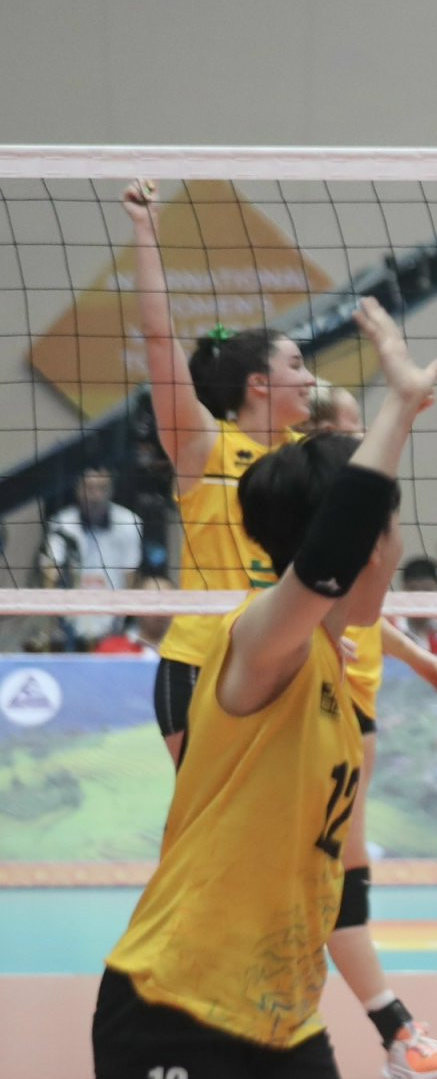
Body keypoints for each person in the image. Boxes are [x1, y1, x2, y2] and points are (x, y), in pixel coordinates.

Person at [1, 299, 437, 1079]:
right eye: (385, 538)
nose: (393, 555)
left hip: (276, 1010)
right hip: (177, 997)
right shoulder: (261, 647)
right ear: (344, 549)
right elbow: (331, 550)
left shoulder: (336, 663)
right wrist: (396, 411)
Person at [300, 382, 437, 1079]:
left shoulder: (355, 514)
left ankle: (383, 1029)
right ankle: (394, 1029)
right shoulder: (305, 508)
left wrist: (418, 657)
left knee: (340, 869)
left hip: (354, 710)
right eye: (348, 421)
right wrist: (312, 638)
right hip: (315, 706)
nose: (360, 430)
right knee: (322, 872)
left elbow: (365, 611)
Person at [121, 181, 318, 766]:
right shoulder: (203, 446)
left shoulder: (313, 460)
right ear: (259, 384)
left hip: (285, 664)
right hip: (201, 659)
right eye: (296, 365)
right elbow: (160, 342)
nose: (309, 378)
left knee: (280, 815)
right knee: (202, 815)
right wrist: (146, 230)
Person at [40, 468, 145, 648]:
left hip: (113, 623)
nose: (96, 495)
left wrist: (121, 620)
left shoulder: (129, 522)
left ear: (111, 490)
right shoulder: (61, 523)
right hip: (71, 625)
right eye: (90, 488)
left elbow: (131, 576)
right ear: (78, 490)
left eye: (102, 488)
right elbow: (50, 573)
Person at [91, 572, 176, 656]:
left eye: (167, 602)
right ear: (137, 606)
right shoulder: (110, 648)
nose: (160, 610)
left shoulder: (181, 651)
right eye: (152, 602)